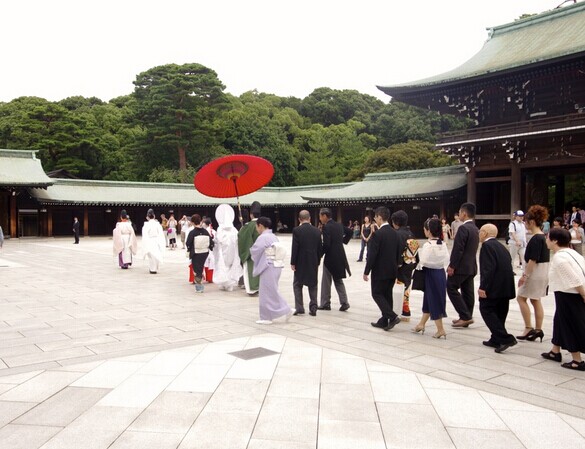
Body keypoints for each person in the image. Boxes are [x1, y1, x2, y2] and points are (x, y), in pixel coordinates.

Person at [541, 228, 585, 371]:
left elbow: (575, 279)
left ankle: (577, 360)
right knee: (559, 321)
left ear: (554, 240)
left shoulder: (560, 258)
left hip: (569, 294)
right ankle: (555, 350)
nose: (546, 240)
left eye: (548, 238)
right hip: (568, 293)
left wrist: (583, 294)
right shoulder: (573, 253)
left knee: (569, 324)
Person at [478, 224, 517, 353]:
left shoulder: (487, 246)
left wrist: (483, 287)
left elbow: (488, 269)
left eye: (480, 231)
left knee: (486, 309)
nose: (479, 234)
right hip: (505, 286)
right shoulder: (501, 246)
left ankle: (505, 338)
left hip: (494, 287)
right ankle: (495, 338)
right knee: (500, 313)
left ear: (484, 233)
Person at [364, 206, 402, 331]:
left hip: (380, 271)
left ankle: (392, 316)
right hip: (392, 270)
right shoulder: (395, 234)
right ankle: (384, 320)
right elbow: (399, 252)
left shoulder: (377, 235)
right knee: (387, 295)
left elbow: (372, 255)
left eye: (375, 217)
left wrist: (366, 271)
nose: (375, 220)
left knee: (377, 294)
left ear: (380, 217)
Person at [515, 205, 550, 341]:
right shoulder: (544, 237)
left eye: (526, 221)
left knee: (521, 297)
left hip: (535, 272)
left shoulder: (536, 238)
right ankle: (538, 329)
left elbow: (532, 260)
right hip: (543, 271)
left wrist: (525, 276)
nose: (525, 224)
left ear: (532, 222)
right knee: (536, 300)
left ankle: (528, 327)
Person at [251, 216, 293, 324]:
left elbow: (255, 251)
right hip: (275, 265)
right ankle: (272, 313)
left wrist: (251, 251)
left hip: (268, 265)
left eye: (257, 226)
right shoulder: (273, 236)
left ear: (260, 225)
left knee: (267, 291)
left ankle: (270, 315)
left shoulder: (263, 237)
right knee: (271, 290)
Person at [412, 218, 450, 339]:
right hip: (440, 273)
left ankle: (440, 329)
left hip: (430, 274)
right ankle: (421, 324)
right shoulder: (442, 244)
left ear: (428, 231)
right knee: (429, 299)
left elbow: (423, 261)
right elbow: (447, 260)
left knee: (434, 299)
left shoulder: (428, 245)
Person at [448, 202, 480, 328]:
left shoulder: (463, 228)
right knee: (468, 291)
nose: (459, 214)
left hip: (461, 267)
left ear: (464, 213)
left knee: (451, 287)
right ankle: (467, 316)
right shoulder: (475, 229)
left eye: (460, 212)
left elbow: (458, 249)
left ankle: (465, 315)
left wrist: (452, 265)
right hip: (471, 266)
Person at [291, 210, 323, 316]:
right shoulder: (317, 231)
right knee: (313, 284)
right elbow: (320, 249)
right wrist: (318, 260)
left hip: (300, 262)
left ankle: (299, 307)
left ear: (299, 219)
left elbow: (295, 248)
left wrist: (293, 262)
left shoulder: (296, 230)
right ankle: (313, 307)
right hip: (313, 261)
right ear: (310, 218)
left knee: (297, 284)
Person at [318, 208, 351, 312]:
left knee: (326, 281)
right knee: (338, 280)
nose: (320, 218)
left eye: (320, 216)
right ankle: (344, 302)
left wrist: (320, 254)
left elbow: (326, 244)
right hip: (340, 256)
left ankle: (325, 303)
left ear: (324, 216)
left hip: (330, 258)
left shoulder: (326, 227)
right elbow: (350, 232)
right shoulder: (338, 225)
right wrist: (343, 241)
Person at [391, 210, 419, 322]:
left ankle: (396, 311)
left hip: (400, 265)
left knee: (398, 288)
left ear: (396, 222)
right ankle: (405, 311)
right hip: (410, 263)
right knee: (406, 287)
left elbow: (396, 251)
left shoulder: (397, 234)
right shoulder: (411, 233)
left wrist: (396, 263)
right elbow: (415, 249)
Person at [213, 204, 243, 291]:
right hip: (232, 251)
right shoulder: (234, 230)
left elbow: (217, 240)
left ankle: (224, 283)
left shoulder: (220, 229)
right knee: (231, 266)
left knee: (224, 266)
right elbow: (237, 239)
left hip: (223, 251)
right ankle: (229, 284)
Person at [238, 201, 261, 296]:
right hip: (262, 253)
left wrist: (242, 227)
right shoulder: (264, 224)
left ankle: (252, 289)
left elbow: (242, 238)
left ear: (251, 214)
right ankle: (259, 287)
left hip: (251, 253)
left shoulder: (248, 226)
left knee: (250, 270)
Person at [186, 214, 214, 293]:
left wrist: (189, 249)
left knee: (197, 270)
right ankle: (199, 285)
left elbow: (188, 243)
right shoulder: (205, 231)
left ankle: (199, 287)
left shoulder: (192, 232)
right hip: (204, 252)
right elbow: (211, 242)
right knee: (200, 267)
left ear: (192, 222)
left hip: (196, 252)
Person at [141, 209, 165, 274]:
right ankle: (155, 268)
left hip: (149, 240)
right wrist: (161, 242)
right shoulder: (157, 224)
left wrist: (145, 242)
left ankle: (152, 268)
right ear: (154, 216)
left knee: (151, 256)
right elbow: (161, 234)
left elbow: (145, 235)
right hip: (156, 240)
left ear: (147, 217)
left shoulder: (146, 225)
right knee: (156, 254)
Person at [202, 217, 215, 283]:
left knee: (206, 262)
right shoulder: (213, 231)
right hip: (212, 249)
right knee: (211, 263)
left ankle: (207, 277)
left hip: (206, 248)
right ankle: (210, 278)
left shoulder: (204, 231)